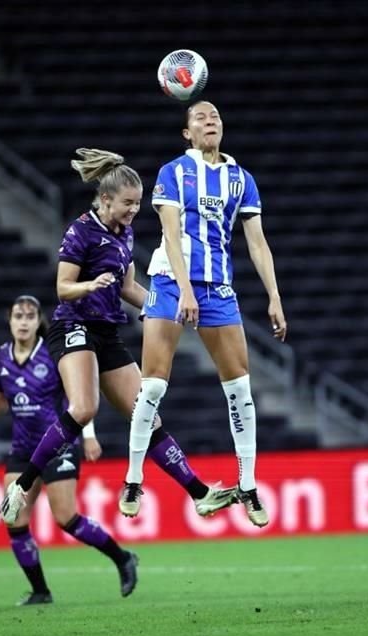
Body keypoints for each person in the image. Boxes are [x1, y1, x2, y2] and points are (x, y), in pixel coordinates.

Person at [0, 149, 235, 538]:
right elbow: (62, 288)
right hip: (73, 326)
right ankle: (20, 488)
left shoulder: (124, 234)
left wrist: (167, 307)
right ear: (105, 198)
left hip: (107, 331)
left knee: (147, 414)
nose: (133, 211)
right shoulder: (80, 231)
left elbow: (128, 288)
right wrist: (89, 285)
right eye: (128, 203)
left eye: (138, 204)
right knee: (84, 407)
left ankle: (199, 493)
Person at [120, 100, 287, 527]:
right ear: (187, 134)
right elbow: (171, 235)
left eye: (215, 116)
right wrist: (186, 290)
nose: (210, 121)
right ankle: (133, 481)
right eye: (200, 118)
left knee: (240, 392)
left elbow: (257, 243)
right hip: (171, 282)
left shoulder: (242, 179)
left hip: (220, 290)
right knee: (153, 386)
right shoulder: (174, 171)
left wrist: (274, 296)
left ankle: (248, 487)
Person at [0, 294, 130, 603]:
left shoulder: (53, 352)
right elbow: (2, 398)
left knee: (65, 517)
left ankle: (122, 558)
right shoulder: (1, 357)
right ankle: (41, 592)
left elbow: (79, 396)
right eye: (19, 316)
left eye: (30, 316)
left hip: (58, 444)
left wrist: (88, 435)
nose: (24, 321)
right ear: (10, 320)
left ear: (38, 321)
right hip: (22, 447)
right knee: (12, 518)